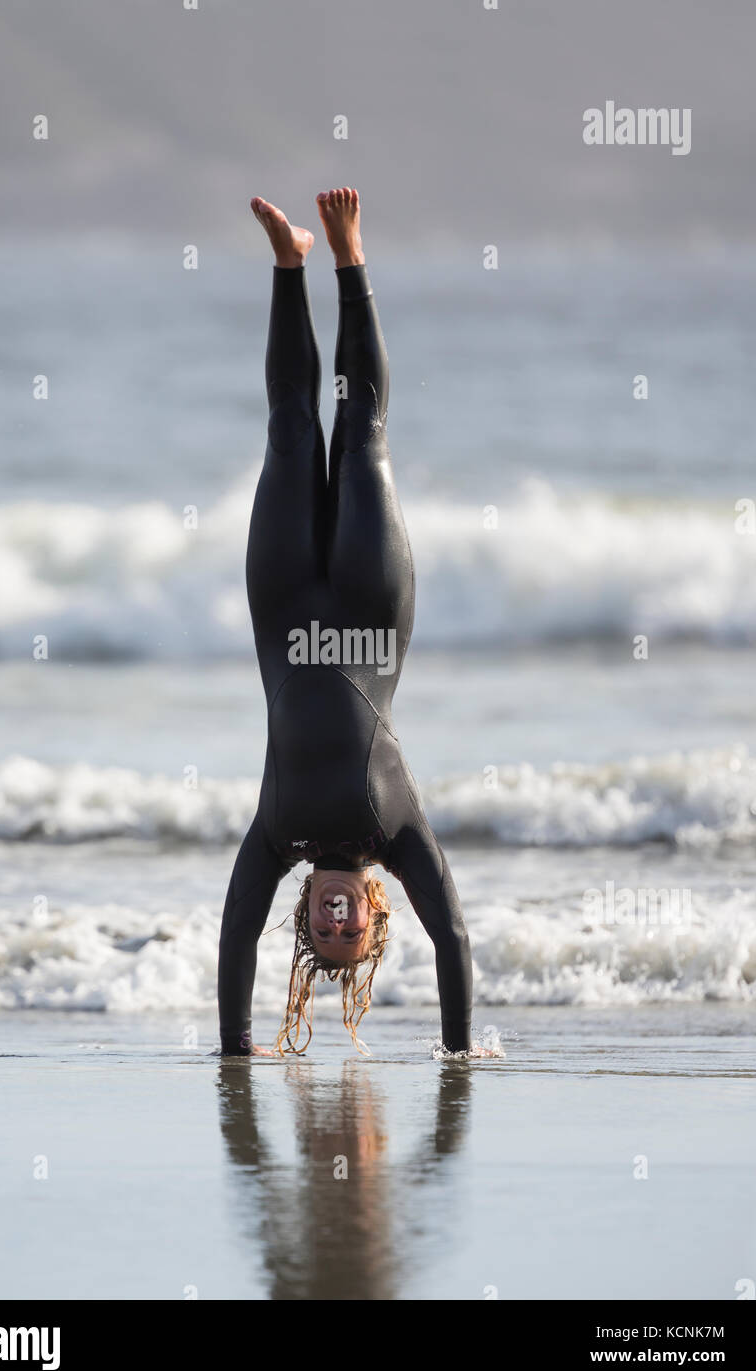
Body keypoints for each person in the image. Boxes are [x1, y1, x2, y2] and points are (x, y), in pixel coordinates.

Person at [217, 188, 478, 1057]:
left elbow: (231, 942)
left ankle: (290, 261)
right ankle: (348, 256)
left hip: (284, 604)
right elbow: (453, 940)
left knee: (291, 432)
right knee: (359, 430)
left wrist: (232, 1047)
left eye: (320, 929)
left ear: (306, 913)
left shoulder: (275, 836)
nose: (333, 919)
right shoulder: (397, 835)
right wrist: (456, 1051)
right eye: (350, 928)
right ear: (372, 913)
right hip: (371, 604)